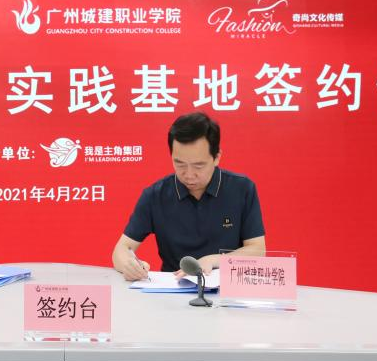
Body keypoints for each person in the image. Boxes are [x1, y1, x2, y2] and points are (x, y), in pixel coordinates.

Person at [111, 112, 265, 281]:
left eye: (198, 166)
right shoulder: (155, 195)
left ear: (217, 157)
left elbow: (257, 249)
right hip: (173, 287)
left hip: (228, 285)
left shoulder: (242, 189)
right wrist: (129, 265)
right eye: (180, 164)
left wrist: (213, 260)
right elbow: (122, 249)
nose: (189, 175)